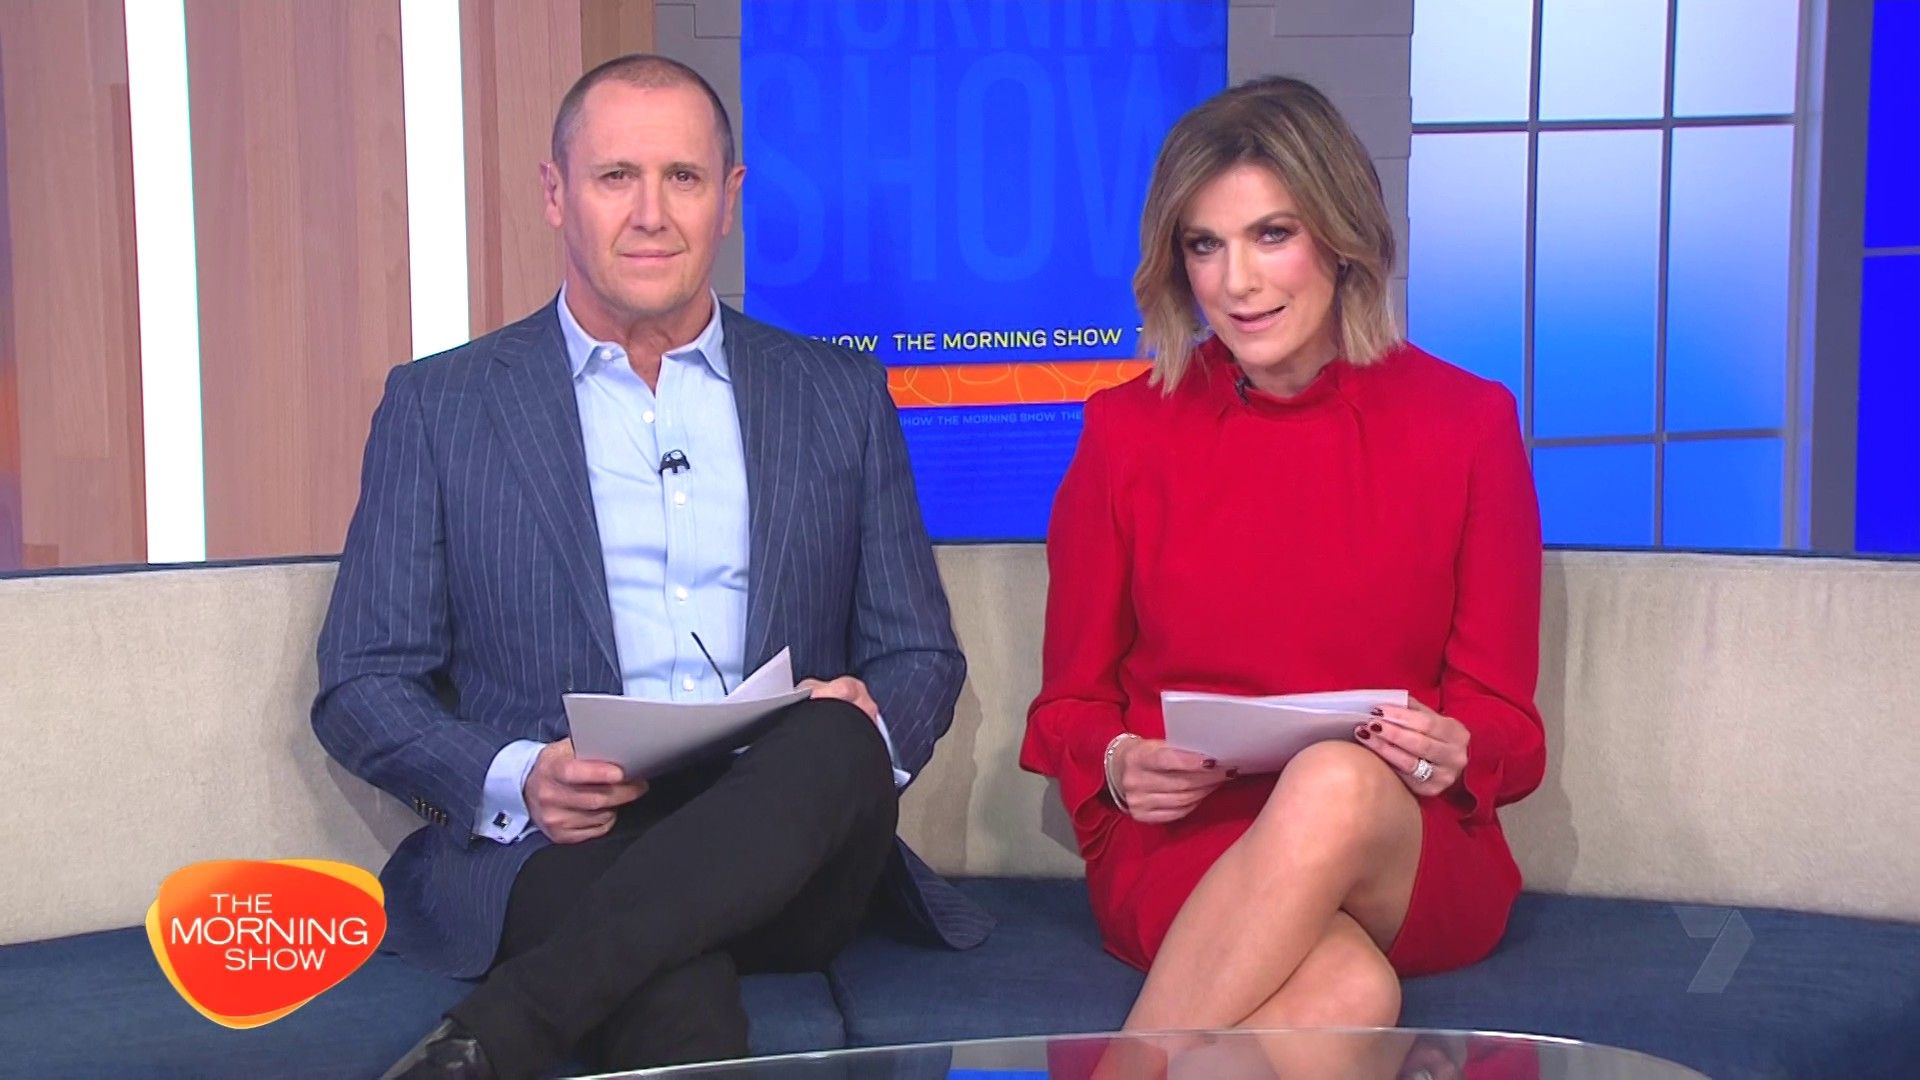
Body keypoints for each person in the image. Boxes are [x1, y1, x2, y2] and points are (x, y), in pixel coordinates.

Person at [313, 53, 989, 1080]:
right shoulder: (442, 406)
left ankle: (501, 1031)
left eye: (682, 177)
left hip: (790, 841)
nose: (651, 215)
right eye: (615, 176)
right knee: (671, 993)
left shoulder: (837, 395)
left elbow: (919, 654)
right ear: (556, 193)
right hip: (565, 847)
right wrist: (520, 778)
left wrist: (868, 724)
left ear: (729, 198)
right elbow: (362, 682)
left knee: (836, 736)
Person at [1021, 75, 1546, 1041]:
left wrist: (1456, 746)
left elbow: (1509, 723)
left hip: (1404, 843)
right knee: (1347, 997)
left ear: (1342, 238)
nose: (1237, 283)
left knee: (1332, 782)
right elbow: (1068, 706)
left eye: (1272, 234)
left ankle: (1124, 1067)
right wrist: (1119, 760)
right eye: (1204, 245)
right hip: (1190, 838)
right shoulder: (1125, 434)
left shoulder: (1469, 424)